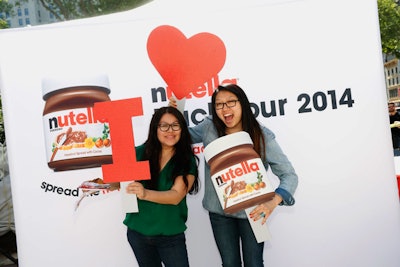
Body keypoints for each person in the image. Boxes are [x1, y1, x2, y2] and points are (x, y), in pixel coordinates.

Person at [171, 84, 298, 267]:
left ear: (243, 104)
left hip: (253, 213)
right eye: (219, 105)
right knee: (229, 264)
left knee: (254, 263)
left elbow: (289, 175)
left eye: (231, 102)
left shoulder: (261, 135)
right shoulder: (209, 127)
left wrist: (272, 203)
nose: (225, 108)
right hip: (219, 213)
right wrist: (176, 112)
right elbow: (182, 137)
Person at [123, 106, 199, 267]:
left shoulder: (186, 160)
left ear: (182, 129)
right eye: (164, 125)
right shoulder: (138, 153)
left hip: (170, 236)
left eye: (175, 125)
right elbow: (120, 181)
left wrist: (144, 193)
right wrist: (105, 183)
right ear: (155, 128)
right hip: (138, 233)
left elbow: (176, 196)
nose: (170, 130)